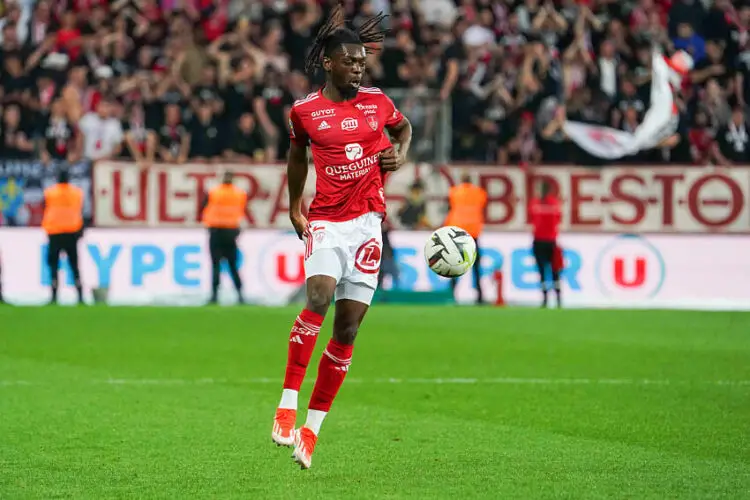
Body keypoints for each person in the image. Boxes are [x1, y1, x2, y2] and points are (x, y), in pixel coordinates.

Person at [271, 5, 412, 470]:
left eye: (362, 62)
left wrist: (400, 153)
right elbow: (296, 158)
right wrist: (294, 205)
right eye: (350, 61)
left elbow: (403, 128)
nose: (358, 68)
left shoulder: (377, 102)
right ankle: (288, 401)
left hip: (369, 224)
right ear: (329, 62)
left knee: (348, 328)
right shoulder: (305, 112)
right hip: (327, 220)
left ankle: (311, 430)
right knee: (319, 295)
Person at [200, 171, 247, 305]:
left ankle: (214, 295)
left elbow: (203, 207)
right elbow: (242, 210)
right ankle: (240, 295)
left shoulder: (214, 192)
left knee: (216, 264)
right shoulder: (239, 194)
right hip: (231, 231)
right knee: (233, 265)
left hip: (216, 231)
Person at [42, 169, 85, 305]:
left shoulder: (50, 193)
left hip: (55, 232)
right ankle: (80, 295)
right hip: (72, 231)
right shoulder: (77, 193)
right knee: (74, 265)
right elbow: (80, 209)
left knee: (54, 265)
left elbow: (45, 207)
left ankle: (54, 295)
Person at [443, 173, 487, 304]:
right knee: (476, 266)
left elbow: (450, 206)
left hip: (458, 232)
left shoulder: (454, 192)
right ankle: (479, 295)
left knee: (456, 265)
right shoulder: (479, 192)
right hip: (473, 232)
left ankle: (451, 293)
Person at [529, 180, 562, 308]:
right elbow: (558, 219)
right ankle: (558, 298)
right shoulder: (554, 204)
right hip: (551, 241)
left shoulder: (534, 203)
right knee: (555, 271)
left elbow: (532, 218)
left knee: (542, 271)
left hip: (538, 240)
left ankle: (545, 299)